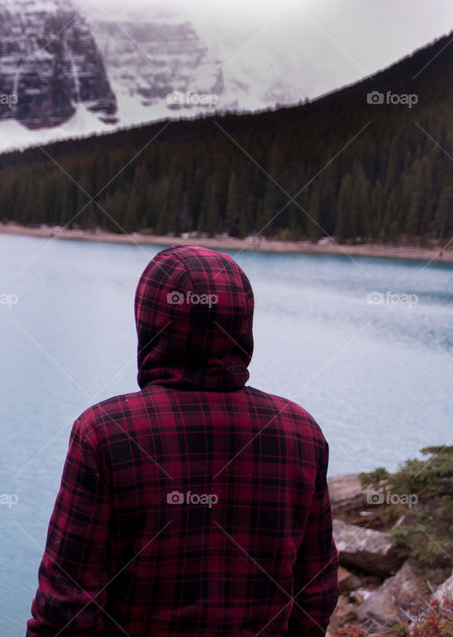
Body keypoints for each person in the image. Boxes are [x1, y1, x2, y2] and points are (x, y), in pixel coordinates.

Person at [26, 245, 338, 636]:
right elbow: (316, 594)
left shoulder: (105, 432)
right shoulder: (301, 431)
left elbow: (66, 608)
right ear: (243, 320)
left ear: (150, 319)